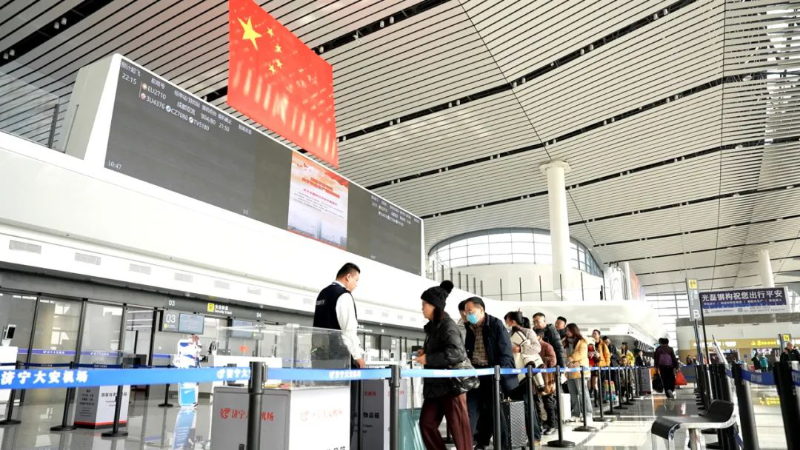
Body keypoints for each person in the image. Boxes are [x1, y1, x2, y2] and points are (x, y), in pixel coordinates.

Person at [312, 263, 366, 448]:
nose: (356, 284)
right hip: (340, 361)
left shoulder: (322, 294)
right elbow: (348, 331)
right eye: (356, 280)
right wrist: (358, 357)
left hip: (320, 361)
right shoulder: (343, 295)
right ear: (348, 277)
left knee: (325, 409)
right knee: (345, 409)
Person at [416, 286, 472, 450]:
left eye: (424, 304)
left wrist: (428, 358)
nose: (422, 308)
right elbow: (442, 349)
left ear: (434, 306)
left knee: (459, 430)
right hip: (435, 387)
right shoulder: (433, 327)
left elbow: (456, 352)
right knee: (426, 424)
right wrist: (426, 352)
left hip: (451, 386)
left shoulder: (448, 326)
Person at [463, 297, 518, 450]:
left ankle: (503, 445)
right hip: (475, 374)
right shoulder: (470, 327)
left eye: (470, 311)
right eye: (466, 312)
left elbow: (505, 352)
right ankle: (470, 444)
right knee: (471, 409)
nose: (468, 315)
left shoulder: (495, 325)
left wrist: (498, 375)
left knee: (494, 410)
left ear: (481, 310)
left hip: (493, 374)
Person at [505, 311, 542, 444]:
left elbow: (537, 348)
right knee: (519, 405)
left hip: (526, 374)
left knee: (528, 405)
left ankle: (535, 436)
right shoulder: (508, 334)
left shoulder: (528, 332)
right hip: (513, 372)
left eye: (507, 320)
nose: (506, 323)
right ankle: (522, 435)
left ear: (512, 321)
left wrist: (520, 349)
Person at [564, 323, 591, 421]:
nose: (567, 332)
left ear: (574, 330)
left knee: (582, 392)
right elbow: (563, 354)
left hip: (580, 370)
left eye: (569, 330)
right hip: (569, 371)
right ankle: (576, 413)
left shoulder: (582, 341)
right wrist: (567, 361)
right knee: (573, 393)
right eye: (566, 330)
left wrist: (570, 359)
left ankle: (587, 413)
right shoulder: (565, 342)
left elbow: (581, 353)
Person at [535, 329, 558, 436]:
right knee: (536, 403)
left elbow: (553, 360)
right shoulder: (532, 347)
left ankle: (552, 425)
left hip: (546, 379)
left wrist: (541, 361)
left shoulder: (547, 346)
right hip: (535, 377)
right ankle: (539, 424)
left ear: (539, 337)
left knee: (548, 402)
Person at [590, 329, 610, 406]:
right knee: (594, 384)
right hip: (593, 366)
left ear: (599, 335)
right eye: (593, 333)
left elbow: (607, 355)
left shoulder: (603, 345)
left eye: (595, 333)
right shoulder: (590, 344)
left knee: (601, 383)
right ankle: (596, 400)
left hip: (602, 366)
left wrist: (607, 365)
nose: (593, 335)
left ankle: (601, 399)